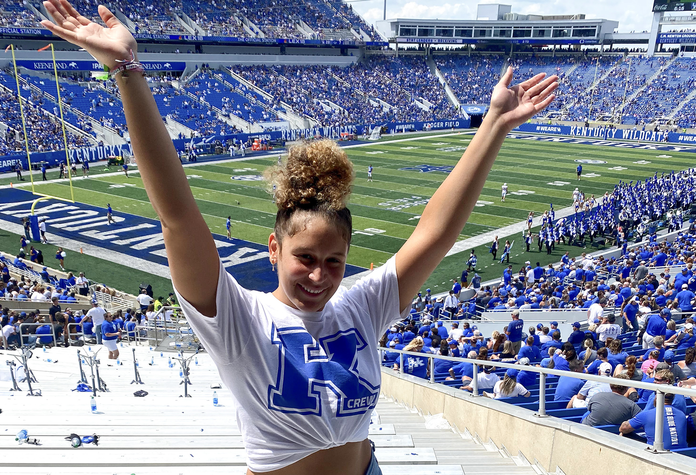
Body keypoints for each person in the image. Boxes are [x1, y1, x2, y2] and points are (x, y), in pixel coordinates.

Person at [39, 3, 558, 473]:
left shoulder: (362, 304)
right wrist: (127, 70)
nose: (319, 275)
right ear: (273, 248)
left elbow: (436, 232)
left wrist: (494, 123)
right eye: (304, 257)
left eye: (334, 261)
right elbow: (177, 215)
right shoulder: (237, 319)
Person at [620, 390, 687, 450]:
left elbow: (623, 429)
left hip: (658, 453)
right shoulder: (682, 414)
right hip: (682, 453)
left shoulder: (647, 414)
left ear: (657, 398)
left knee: (624, 434)